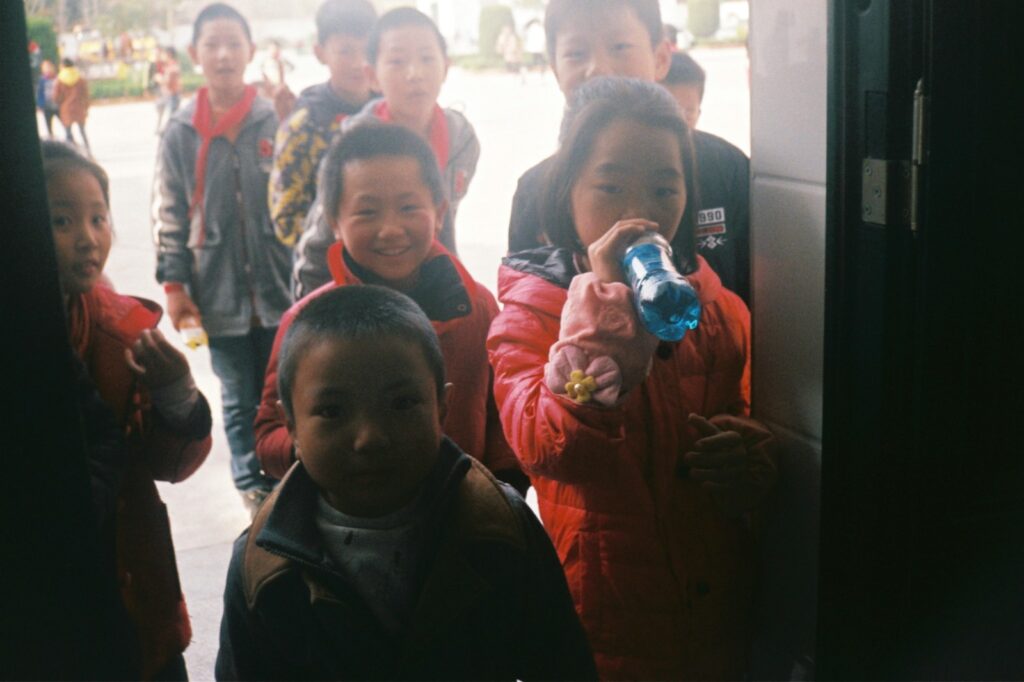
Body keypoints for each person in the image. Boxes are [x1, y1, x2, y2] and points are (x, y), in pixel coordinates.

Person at [487, 78, 778, 680]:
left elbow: (751, 412)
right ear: (566, 190)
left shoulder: (715, 306)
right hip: (604, 613)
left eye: (664, 187)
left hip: (715, 605)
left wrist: (748, 457)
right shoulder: (530, 312)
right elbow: (544, 445)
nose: (638, 211)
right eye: (611, 186)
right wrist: (605, 313)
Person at [216, 285, 596, 680]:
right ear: (290, 424)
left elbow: (563, 663)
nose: (370, 438)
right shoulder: (264, 565)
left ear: (442, 407)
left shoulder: (499, 529)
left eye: (401, 404)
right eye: (332, 411)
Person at [255, 123, 526, 494]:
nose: (391, 229)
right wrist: (319, 446)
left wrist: (501, 492)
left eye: (408, 207)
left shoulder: (476, 309)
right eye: (367, 212)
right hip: (346, 523)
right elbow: (269, 433)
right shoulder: (308, 322)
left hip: (459, 510)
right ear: (334, 222)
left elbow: (503, 417)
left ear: (440, 211)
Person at [42, 140, 213, 680]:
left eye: (99, 217)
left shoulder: (122, 333)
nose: (88, 238)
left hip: (137, 593)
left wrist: (177, 395)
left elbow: (169, 465)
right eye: (62, 220)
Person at [153, 2, 292, 518]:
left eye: (234, 43)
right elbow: (169, 214)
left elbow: (306, 200)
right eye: (212, 44)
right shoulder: (180, 132)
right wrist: (175, 286)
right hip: (218, 292)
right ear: (195, 55)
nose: (224, 54)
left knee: (284, 393)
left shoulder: (276, 116)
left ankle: (290, 477)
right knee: (237, 400)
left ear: (251, 52)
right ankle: (252, 489)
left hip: (282, 290)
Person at [292, 6, 479, 297]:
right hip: (361, 301)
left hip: (432, 292)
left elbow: (443, 222)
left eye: (427, 59)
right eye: (397, 61)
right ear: (372, 75)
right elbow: (319, 242)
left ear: (446, 66)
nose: (414, 74)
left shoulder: (462, 139)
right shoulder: (353, 148)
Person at [505, 0, 671, 254]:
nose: (598, 69)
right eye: (576, 54)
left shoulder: (726, 169)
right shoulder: (534, 190)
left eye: (620, 47)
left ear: (660, 58)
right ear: (555, 69)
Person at [269, 0, 377, 250]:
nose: (359, 62)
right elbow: (286, 216)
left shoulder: (391, 113)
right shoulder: (305, 125)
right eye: (346, 51)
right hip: (326, 269)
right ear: (320, 53)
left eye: (367, 50)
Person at [662, 50, 752, 302]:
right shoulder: (617, 180)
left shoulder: (730, 165)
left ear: (699, 113)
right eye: (664, 116)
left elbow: (753, 260)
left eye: (686, 114)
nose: (675, 129)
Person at [54, 57, 91, 151]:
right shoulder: (80, 78)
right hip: (79, 108)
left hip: (66, 109)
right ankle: (88, 149)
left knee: (68, 132)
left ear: (62, 66)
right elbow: (85, 95)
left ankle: (70, 153)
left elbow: (56, 97)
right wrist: (86, 108)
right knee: (82, 131)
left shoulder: (60, 79)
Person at [259, 39, 296, 120]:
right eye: (272, 49)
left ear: (279, 51)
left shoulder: (282, 61)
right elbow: (262, 71)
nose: (274, 51)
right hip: (269, 88)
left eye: (276, 49)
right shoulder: (266, 61)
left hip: (280, 87)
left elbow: (292, 67)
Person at [154, 46, 182, 135]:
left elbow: (168, 81)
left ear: (169, 54)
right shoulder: (168, 65)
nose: (163, 55)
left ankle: (165, 131)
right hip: (168, 95)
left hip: (172, 95)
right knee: (164, 111)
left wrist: (159, 79)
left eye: (165, 53)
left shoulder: (173, 66)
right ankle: (162, 129)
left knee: (173, 117)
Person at [36, 59, 60, 139]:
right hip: (47, 106)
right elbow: (40, 93)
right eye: (45, 68)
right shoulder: (42, 80)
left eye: (48, 67)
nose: (47, 69)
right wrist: (39, 105)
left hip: (57, 105)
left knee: (65, 124)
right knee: (49, 125)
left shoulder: (57, 77)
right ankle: (51, 139)